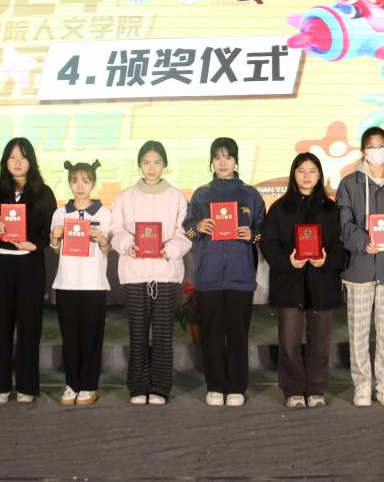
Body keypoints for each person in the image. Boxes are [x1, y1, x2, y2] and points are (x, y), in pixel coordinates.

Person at [108, 141, 192, 406]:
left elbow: (183, 233)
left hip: (165, 273)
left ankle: (160, 387)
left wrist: (171, 249)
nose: (151, 167)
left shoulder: (177, 197)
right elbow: (116, 230)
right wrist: (127, 244)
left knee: (164, 334)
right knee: (137, 333)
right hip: (135, 273)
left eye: (156, 162)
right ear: (139, 165)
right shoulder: (124, 197)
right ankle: (138, 386)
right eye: (146, 162)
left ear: (164, 164)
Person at [258, 152, 344, 408]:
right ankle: (293, 389)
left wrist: (326, 261)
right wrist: (288, 262)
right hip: (289, 284)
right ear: (293, 174)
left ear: (319, 176)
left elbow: (341, 246)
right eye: (301, 171)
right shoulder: (279, 208)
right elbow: (269, 243)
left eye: (312, 171)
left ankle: (316, 389)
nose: (307, 176)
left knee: (320, 342)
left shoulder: (331, 209)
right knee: (289, 342)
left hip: (322, 284)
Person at [185, 137, 266, 407]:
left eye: (228, 157)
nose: (222, 162)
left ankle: (236, 387)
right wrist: (198, 226)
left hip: (240, 276)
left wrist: (252, 234)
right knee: (212, 334)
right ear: (211, 161)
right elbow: (187, 229)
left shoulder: (250, 194)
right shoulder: (201, 194)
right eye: (217, 157)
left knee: (238, 334)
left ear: (236, 161)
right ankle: (215, 386)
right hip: (209, 276)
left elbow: (263, 228)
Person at [336, 126, 384, 407]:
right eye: (372, 146)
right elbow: (344, 224)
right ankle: (361, 385)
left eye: (382, 146)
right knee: (358, 330)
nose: (377, 150)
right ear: (363, 150)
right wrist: (362, 242)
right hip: (360, 268)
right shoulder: (349, 183)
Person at [0, 137, 57, 403]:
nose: (17, 162)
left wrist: (35, 245)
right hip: (1, 264)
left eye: (23, 157)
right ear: (5, 161)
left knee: (30, 325)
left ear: (31, 162)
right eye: (12, 157)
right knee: (1, 325)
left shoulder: (44, 193)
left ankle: (27, 386)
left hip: (30, 264)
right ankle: (0, 386)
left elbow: (50, 230)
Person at [49, 160, 113, 406]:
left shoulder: (104, 213)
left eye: (85, 181)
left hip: (93, 284)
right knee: (70, 337)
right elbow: (57, 250)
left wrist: (102, 239)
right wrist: (54, 238)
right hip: (67, 283)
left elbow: (108, 249)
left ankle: (88, 385)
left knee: (91, 337)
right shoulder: (60, 213)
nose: (80, 186)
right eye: (75, 181)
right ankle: (71, 384)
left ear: (93, 183)